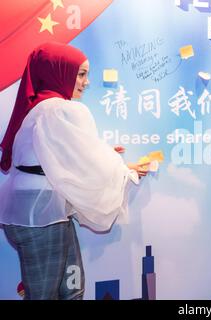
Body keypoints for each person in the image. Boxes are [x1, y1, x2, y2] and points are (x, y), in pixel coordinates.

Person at [0, 42, 149, 299]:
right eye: (81, 74)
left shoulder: (41, 108)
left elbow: (66, 155)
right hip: (41, 215)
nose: (86, 82)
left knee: (70, 288)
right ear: (58, 71)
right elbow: (84, 160)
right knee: (50, 294)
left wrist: (113, 161)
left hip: (40, 212)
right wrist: (124, 171)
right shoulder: (60, 109)